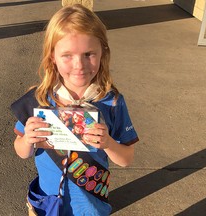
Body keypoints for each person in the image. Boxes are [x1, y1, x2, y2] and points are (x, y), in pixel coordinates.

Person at [11, 4, 139, 216]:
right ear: (52, 56)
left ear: (102, 53)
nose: (79, 65)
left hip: (90, 207)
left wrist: (108, 143)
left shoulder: (111, 102)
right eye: (67, 55)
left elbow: (126, 159)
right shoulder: (39, 99)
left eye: (89, 54)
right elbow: (21, 151)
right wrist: (27, 140)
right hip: (47, 204)